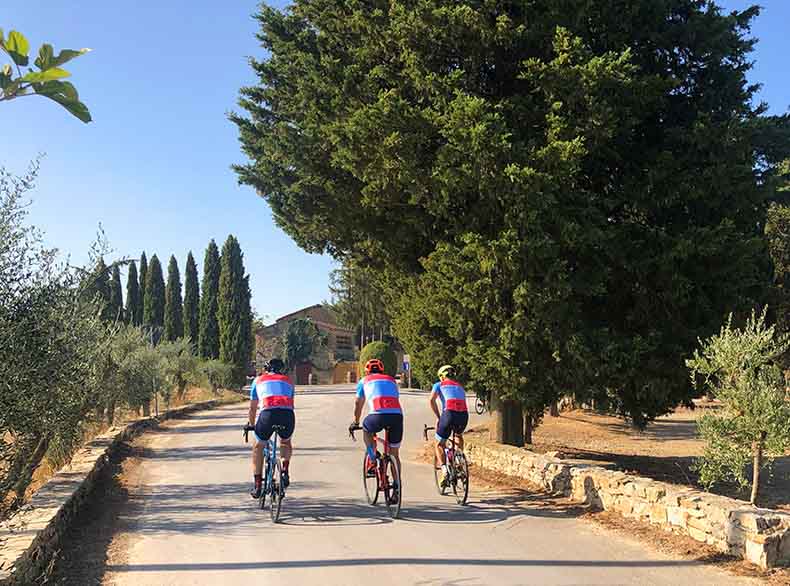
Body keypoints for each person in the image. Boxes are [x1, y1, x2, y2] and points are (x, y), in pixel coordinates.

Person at [350, 358, 403, 503]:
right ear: (382, 370)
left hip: (377, 415)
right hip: (397, 416)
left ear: (367, 371)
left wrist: (356, 422)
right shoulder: (391, 380)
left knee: (367, 430)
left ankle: (372, 458)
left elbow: (358, 403)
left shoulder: (364, 381)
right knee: (394, 453)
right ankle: (397, 486)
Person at [248, 358, 295, 498]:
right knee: (285, 442)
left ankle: (257, 486)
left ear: (266, 369)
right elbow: (290, 402)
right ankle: (285, 469)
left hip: (268, 414)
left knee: (258, 446)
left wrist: (251, 425)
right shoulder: (289, 381)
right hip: (287, 415)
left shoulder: (258, 380)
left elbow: (252, 407)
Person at [430, 364, 468, 487]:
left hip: (449, 414)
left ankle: (445, 470)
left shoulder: (438, 385)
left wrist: (438, 417)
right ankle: (459, 460)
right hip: (463, 415)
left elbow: (431, 400)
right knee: (458, 435)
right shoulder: (460, 387)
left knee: (439, 444)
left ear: (442, 376)